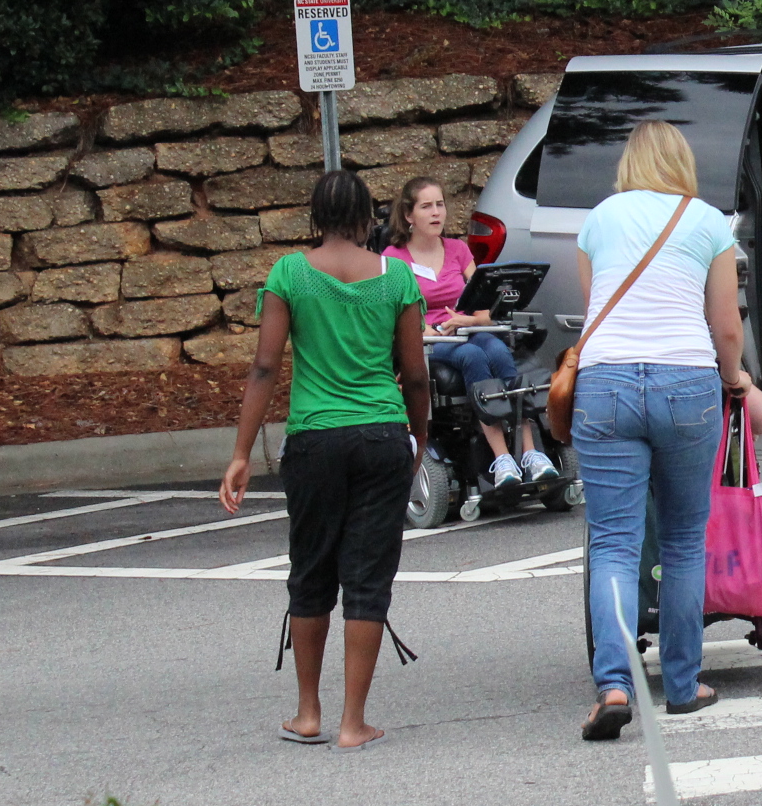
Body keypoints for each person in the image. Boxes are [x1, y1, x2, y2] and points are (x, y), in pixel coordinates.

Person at [220, 169, 430, 751]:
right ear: (370, 217)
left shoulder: (290, 272)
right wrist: (419, 439)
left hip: (314, 438)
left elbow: (264, 366)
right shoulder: (397, 277)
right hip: (382, 436)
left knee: (310, 570)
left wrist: (241, 452)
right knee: (367, 575)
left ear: (315, 216)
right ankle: (352, 722)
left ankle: (308, 712)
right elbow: (414, 373)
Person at [572, 120, 755, 741]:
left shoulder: (599, 218)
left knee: (615, 545)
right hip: (685, 382)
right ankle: (682, 684)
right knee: (682, 541)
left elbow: (595, 306)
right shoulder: (708, 222)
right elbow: (725, 326)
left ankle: (617, 685)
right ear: (682, 162)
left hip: (606, 385)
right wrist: (734, 378)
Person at [387, 176, 556, 496]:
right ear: (409, 215)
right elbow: (389, 313)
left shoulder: (457, 250)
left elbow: (485, 307)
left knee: (496, 348)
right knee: (473, 355)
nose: (436, 212)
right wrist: (422, 329)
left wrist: (468, 318)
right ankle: (502, 457)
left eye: (440, 204)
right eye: (426, 206)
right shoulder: (394, 259)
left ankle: (532, 451)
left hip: (465, 330)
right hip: (431, 341)